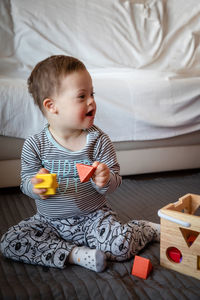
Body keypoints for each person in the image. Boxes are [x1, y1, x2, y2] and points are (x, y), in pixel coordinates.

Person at [0, 55, 160, 272]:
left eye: (92, 94)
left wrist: (105, 179)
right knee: (10, 242)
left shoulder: (98, 141)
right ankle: (75, 255)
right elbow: (25, 183)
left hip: (94, 218)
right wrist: (36, 187)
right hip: (49, 222)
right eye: (82, 96)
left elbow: (115, 181)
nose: (91, 101)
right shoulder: (35, 145)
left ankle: (146, 229)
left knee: (120, 246)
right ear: (52, 106)